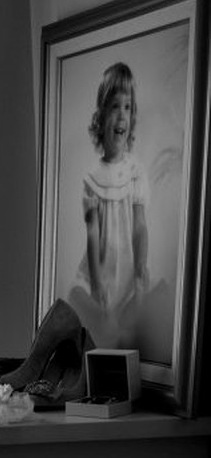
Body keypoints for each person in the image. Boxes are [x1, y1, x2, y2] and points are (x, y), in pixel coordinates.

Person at [67, 62, 150, 347]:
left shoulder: (135, 171)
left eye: (127, 107)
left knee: (134, 314)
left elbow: (139, 225)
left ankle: (117, 331)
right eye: (115, 107)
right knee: (76, 299)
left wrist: (140, 269)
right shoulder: (92, 178)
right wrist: (99, 286)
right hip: (99, 272)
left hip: (126, 273)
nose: (121, 116)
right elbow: (92, 234)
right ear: (101, 117)